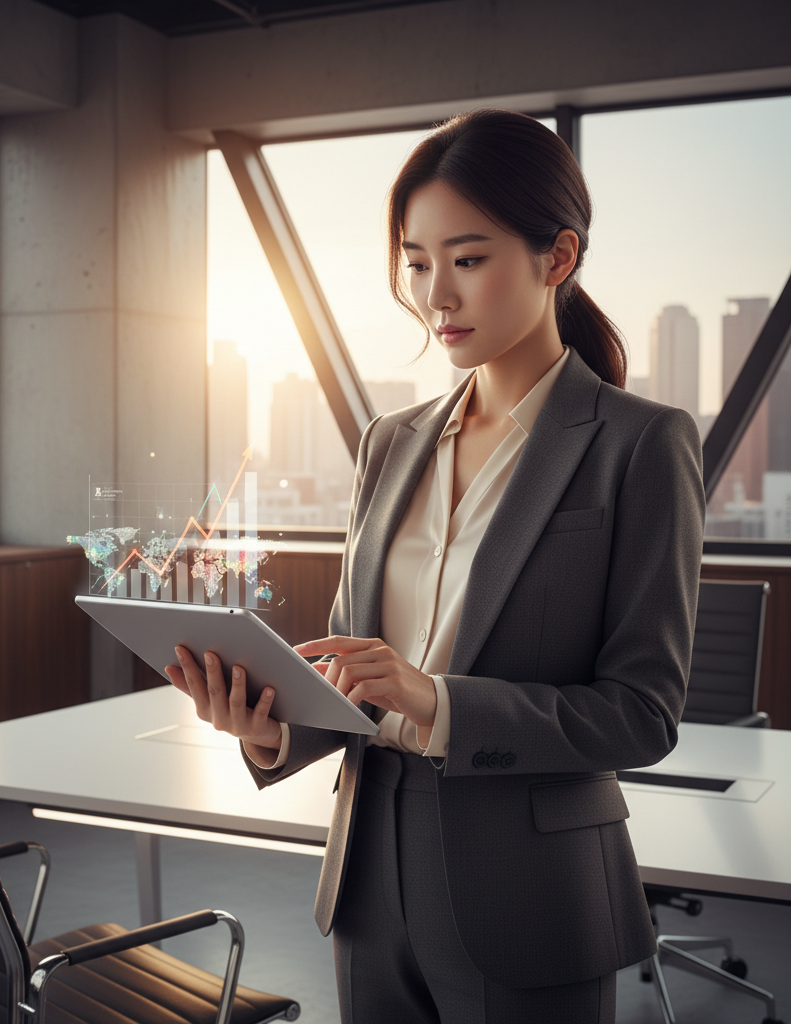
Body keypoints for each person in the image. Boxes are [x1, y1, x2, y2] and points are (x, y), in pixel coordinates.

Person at [166, 108, 704, 1024]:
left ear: (557, 257)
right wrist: (265, 728)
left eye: (468, 258)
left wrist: (438, 700)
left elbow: (643, 715)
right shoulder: (390, 442)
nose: (435, 296)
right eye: (417, 263)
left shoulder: (639, 445)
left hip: (530, 891)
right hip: (371, 872)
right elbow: (354, 682)